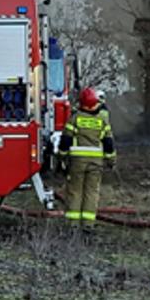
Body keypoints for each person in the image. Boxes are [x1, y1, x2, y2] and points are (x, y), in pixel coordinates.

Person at [56, 86, 114, 224]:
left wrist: (62, 156)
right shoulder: (102, 120)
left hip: (77, 162)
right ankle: (88, 224)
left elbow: (65, 140)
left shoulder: (75, 119)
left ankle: (73, 225)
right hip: (96, 163)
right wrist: (111, 161)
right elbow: (109, 143)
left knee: (75, 191)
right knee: (92, 192)